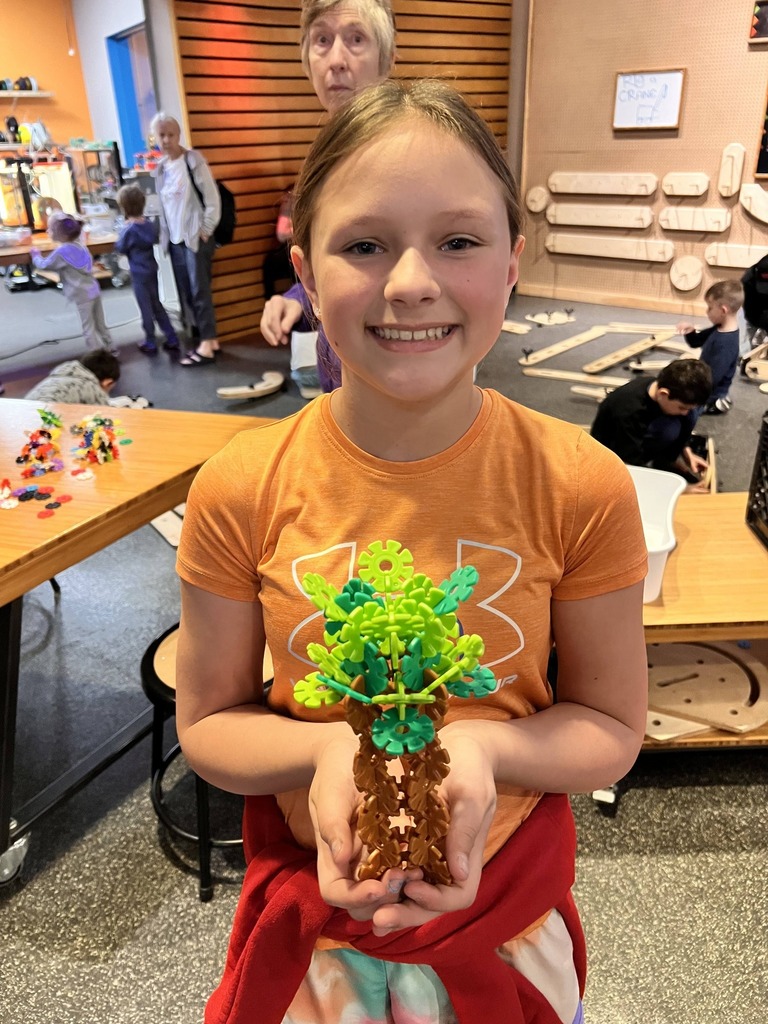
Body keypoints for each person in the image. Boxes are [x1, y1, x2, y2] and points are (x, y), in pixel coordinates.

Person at [175, 80, 649, 1024]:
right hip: (313, 938)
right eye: (364, 245)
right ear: (307, 272)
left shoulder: (580, 484)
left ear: (512, 262)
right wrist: (318, 758)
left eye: (459, 241)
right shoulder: (239, 485)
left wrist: (484, 746)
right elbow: (208, 724)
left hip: (507, 921)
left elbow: (612, 727)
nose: (410, 283)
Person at [255, 0, 396, 398]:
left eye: (356, 39)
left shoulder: (406, 159)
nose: (336, 59)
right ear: (306, 61)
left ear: (385, 60)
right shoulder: (326, 159)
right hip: (341, 383)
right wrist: (300, 298)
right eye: (322, 40)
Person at [151, 112, 221, 367]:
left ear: (178, 135)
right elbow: (163, 207)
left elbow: (212, 198)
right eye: (162, 135)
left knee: (200, 291)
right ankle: (206, 339)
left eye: (171, 134)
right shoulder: (160, 169)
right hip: (176, 241)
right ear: (155, 138)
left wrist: (206, 229)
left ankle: (207, 342)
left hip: (195, 238)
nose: (167, 140)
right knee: (187, 294)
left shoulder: (193, 160)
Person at [590, 360, 713, 490]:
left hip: (639, 434)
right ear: (663, 394)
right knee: (671, 429)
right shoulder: (629, 411)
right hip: (616, 451)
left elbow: (685, 415)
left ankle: (666, 461)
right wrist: (679, 490)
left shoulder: (665, 387)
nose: (685, 412)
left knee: (690, 416)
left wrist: (686, 452)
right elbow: (631, 465)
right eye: (682, 407)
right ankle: (659, 464)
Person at [30, 212, 115, 354]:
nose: (47, 231)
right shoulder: (81, 246)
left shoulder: (61, 252)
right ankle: (111, 348)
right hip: (93, 289)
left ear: (59, 234)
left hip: (81, 294)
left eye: (50, 229)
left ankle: (96, 356)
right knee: (100, 324)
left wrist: (35, 256)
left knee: (88, 327)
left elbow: (44, 265)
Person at [115, 183, 181, 356]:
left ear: (124, 206)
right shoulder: (149, 225)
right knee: (157, 304)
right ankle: (171, 336)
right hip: (152, 268)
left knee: (145, 307)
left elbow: (121, 247)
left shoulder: (128, 230)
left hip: (138, 273)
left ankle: (150, 341)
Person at [676, 279, 743, 414]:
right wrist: (690, 332)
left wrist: (690, 391)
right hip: (704, 379)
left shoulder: (726, 344)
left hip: (710, 391)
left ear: (723, 310)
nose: (707, 312)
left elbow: (713, 379)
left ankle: (717, 403)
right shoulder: (718, 328)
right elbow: (695, 342)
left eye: (710, 307)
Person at [23, 350, 149, 408]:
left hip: (19, 412)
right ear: (107, 382)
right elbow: (105, 418)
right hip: (41, 428)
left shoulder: (62, 373)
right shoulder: (93, 390)